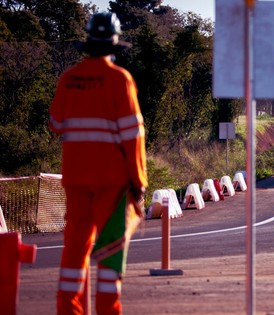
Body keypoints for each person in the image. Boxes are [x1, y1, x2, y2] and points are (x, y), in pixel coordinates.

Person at [49, 12, 147, 315]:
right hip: (112, 182)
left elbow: (55, 122)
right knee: (111, 250)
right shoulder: (120, 79)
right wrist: (139, 182)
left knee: (75, 249)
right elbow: (133, 137)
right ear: (115, 44)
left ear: (87, 43)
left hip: (76, 178)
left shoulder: (69, 79)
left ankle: (69, 310)